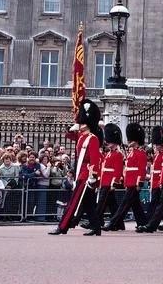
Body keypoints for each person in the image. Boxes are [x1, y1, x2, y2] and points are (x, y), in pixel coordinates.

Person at [49, 99, 102, 235]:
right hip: (80, 172)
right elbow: (69, 135)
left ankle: (63, 227)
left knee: (73, 201)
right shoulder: (82, 137)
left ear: (87, 124)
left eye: (82, 122)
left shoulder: (93, 138)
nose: (79, 124)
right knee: (89, 204)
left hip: (86, 175)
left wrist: (93, 176)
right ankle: (96, 227)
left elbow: (95, 159)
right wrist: (70, 128)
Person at [105, 123, 148, 230]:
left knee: (124, 205)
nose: (129, 141)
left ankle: (113, 223)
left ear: (136, 140)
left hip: (134, 183)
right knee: (135, 205)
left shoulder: (141, 153)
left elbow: (142, 169)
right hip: (129, 181)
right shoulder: (131, 153)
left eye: (131, 139)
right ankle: (142, 223)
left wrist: (139, 182)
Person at [89, 123, 124, 236]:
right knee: (112, 204)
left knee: (101, 204)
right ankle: (119, 224)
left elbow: (118, 170)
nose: (107, 143)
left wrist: (114, 182)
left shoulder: (118, 154)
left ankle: (94, 223)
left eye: (109, 141)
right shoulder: (109, 153)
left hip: (109, 182)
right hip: (105, 181)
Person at [147, 126, 163, 222]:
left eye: (157, 144)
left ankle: (149, 221)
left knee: (155, 202)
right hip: (155, 181)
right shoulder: (157, 155)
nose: (156, 146)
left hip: (159, 182)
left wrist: (159, 182)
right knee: (159, 203)